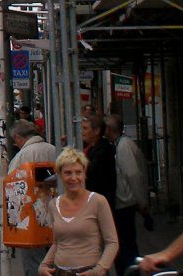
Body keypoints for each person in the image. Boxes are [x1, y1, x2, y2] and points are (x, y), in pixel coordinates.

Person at [38, 147, 118, 276]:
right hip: (60, 272)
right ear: (59, 174)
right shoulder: (54, 204)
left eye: (78, 172)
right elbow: (58, 242)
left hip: (89, 271)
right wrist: (43, 265)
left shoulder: (98, 201)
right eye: (68, 173)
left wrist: (99, 269)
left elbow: (112, 242)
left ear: (84, 174)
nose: (73, 178)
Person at [9, 120, 59, 276]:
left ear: (18, 137)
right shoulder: (54, 150)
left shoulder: (22, 155)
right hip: (55, 210)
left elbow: (13, 185)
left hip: (31, 215)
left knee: (33, 261)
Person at [105, 114, 150, 273]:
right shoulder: (118, 145)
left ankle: (131, 272)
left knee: (127, 245)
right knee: (124, 244)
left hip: (125, 203)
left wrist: (142, 202)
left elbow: (133, 175)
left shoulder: (124, 146)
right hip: (123, 202)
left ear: (109, 129)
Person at [81, 114, 117, 209]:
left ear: (97, 131)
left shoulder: (103, 151)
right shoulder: (91, 148)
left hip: (101, 202)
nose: (82, 132)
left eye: (85, 128)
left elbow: (90, 171)